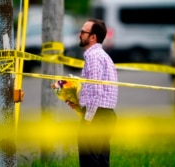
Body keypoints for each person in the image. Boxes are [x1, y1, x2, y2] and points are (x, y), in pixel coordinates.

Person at [67, 18, 118, 167]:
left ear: (93, 37)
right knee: (101, 161)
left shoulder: (93, 57)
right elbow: (96, 88)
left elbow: (96, 90)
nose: (79, 34)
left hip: (96, 117)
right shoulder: (103, 56)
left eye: (83, 32)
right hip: (105, 115)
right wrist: (77, 100)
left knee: (89, 162)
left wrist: (88, 119)